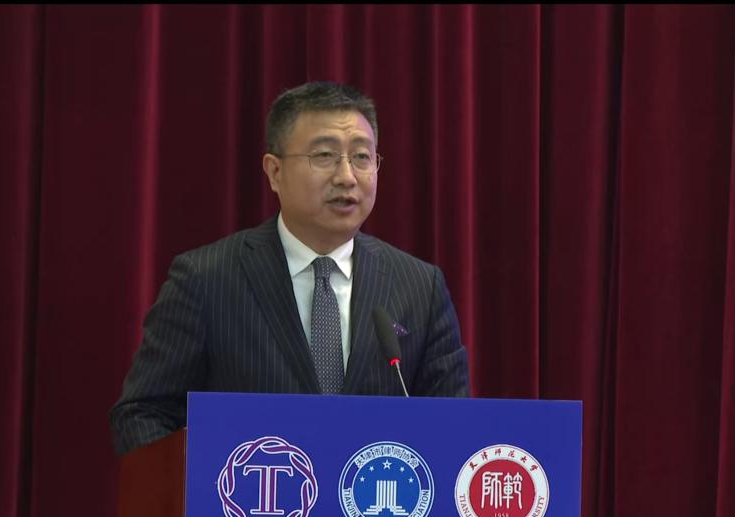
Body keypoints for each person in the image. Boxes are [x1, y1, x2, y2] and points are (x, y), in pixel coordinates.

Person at [109, 81, 470, 455]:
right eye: (325, 155)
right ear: (275, 171)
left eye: (362, 157)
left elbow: (455, 428)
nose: (347, 176)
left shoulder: (420, 286)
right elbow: (143, 414)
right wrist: (205, 482)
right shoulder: (205, 279)